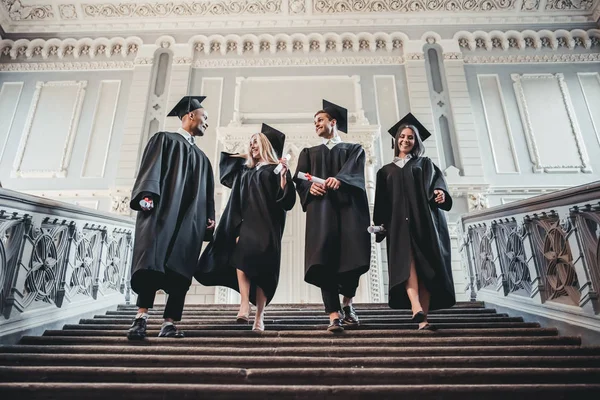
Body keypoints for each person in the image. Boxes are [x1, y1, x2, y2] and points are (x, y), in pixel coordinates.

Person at [127, 96, 216, 340]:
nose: (207, 123)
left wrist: (209, 217)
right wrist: (146, 195)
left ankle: (169, 323)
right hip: (162, 212)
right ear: (190, 115)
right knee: (151, 263)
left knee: (180, 268)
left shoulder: (204, 160)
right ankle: (140, 318)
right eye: (204, 117)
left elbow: (208, 193)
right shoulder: (164, 139)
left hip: (191, 220)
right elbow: (151, 168)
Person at [196, 124, 295, 331]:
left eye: (256, 142)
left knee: (263, 272)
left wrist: (284, 175)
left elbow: (286, 201)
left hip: (268, 225)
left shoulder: (275, 170)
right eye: (250, 143)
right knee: (241, 261)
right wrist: (249, 153)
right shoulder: (245, 171)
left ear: (265, 145)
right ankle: (243, 304)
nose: (252, 145)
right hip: (246, 224)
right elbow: (227, 168)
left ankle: (260, 316)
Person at [293, 100, 371, 333]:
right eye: (315, 121)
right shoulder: (309, 153)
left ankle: (347, 304)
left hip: (349, 212)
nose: (316, 124)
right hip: (322, 214)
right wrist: (310, 189)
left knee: (352, 259)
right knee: (323, 261)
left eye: (320, 120)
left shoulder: (353, 149)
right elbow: (300, 179)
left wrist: (341, 179)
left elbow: (354, 173)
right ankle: (333, 315)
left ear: (333, 122)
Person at [372, 113, 455, 330]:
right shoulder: (385, 171)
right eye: (402, 137)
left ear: (416, 141)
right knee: (406, 265)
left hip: (424, 222)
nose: (405, 140)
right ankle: (415, 306)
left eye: (410, 137)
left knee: (425, 268)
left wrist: (440, 193)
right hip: (398, 225)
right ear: (396, 140)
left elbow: (438, 185)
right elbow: (381, 202)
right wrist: (381, 225)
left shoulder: (425, 164)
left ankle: (423, 320)